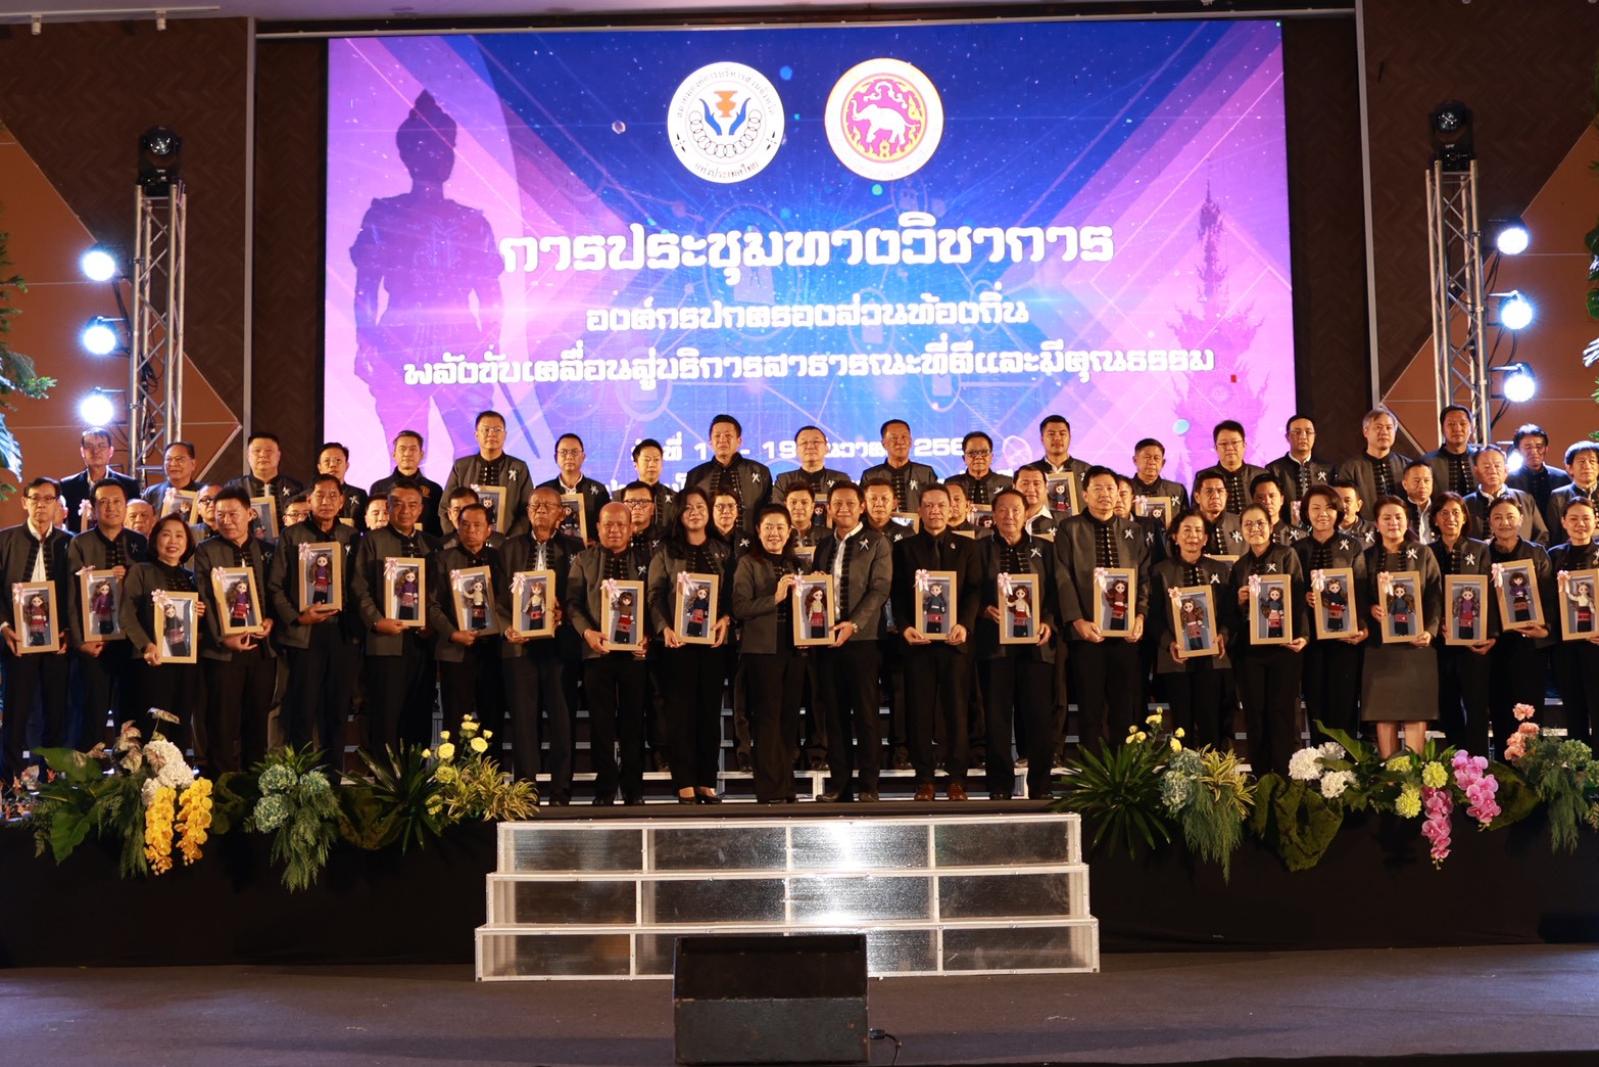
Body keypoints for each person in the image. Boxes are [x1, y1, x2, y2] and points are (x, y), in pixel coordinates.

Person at [891, 483, 978, 801]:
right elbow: (898, 594)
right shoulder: (904, 548)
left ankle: (957, 778)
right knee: (919, 712)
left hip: (955, 643)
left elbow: (974, 591)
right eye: (928, 505)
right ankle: (924, 778)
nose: (935, 511)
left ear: (951, 508)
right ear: (919, 510)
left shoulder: (967, 547)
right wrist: (904, 627)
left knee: (957, 711)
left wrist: (965, 624)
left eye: (941, 505)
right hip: (919, 643)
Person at [646, 488, 732, 804]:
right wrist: (665, 628)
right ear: (679, 514)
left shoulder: (722, 551)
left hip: (712, 646)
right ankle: (683, 782)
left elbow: (732, 596)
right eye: (688, 508)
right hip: (676, 646)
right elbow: (654, 595)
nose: (694, 512)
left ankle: (706, 781)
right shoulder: (665, 551)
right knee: (679, 714)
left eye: (700, 507)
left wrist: (726, 619)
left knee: (708, 714)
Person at [266, 474, 360, 757]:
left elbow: (359, 586)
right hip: (304, 635)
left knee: (337, 710)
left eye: (333, 496)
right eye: (320, 495)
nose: (326, 501)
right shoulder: (292, 536)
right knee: (303, 709)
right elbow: (275, 586)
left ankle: (332, 775)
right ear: (309, 500)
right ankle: (303, 774)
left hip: (342, 633)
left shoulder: (351, 537)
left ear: (342, 501)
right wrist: (298, 618)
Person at [1055, 467, 1149, 748]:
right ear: (1085, 494)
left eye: (1111, 488)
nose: (1105, 494)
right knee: (1090, 708)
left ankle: (1124, 768)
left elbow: (1144, 577)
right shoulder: (1069, 528)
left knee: (1124, 706)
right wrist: (1077, 621)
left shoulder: (1134, 531)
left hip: (1126, 634)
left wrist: (1140, 615)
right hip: (1087, 634)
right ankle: (1093, 769)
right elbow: (1062, 577)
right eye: (1098, 488)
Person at [567, 502, 654, 804]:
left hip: (635, 655)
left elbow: (656, 602)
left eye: (620, 525)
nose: (614, 530)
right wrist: (587, 633)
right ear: (598, 528)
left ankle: (633, 789)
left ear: (631, 528)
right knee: (600, 724)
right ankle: (604, 789)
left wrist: (648, 636)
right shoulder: (583, 560)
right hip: (597, 653)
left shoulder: (646, 560)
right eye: (608, 524)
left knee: (633, 722)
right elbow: (572, 604)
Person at [499, 486, 582, 800]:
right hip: (519, 645)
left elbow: (580, 595)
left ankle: (561, 789)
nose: (541, 511)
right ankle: (525, 791)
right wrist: (507, 628)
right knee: (523, 719)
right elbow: (497, 597)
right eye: (535, 505)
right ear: (527, 511)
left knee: (562, 718)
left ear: (561, 513)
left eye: (548, 506)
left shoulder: (575, 549)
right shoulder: (508, 548)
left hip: (560, 645)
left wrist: (565, 613)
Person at [812, 481, 892, 802]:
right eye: (837, 504)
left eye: (849, 503)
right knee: (834, 715)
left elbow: (880, 588)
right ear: (828, 509)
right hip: (827, 641)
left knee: (865, 714)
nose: (843, 509)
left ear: (862, 507)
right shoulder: (823, 545)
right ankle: (840, 785)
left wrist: (854, 624)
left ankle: (869, 785)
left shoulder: (877, 542)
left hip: (863, 640)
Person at [978, 488, 1058, 799]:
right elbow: (969, 592)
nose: (1009, 516)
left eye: (1015, 510)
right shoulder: (980, 550)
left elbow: (1055, 594)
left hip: (1036, 647)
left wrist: (1047, 622)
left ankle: (1041, 785)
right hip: (995, 648)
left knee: (1039, 718)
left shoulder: (1045, 549)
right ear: (993, 515)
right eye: (1002, 509)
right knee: (997, 718)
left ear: (1026, 514)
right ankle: (999, 785)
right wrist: (985, 610)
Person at [351, 480, 439, 751]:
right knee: (385, 716)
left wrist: (432, 624)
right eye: (398, 504)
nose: (405, 510)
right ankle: (384, 776)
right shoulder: (371, 541)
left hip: (423, 642)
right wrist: (377, 621)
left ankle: (415, 774)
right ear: (388, 508)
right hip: (386, 641)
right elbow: (359, 588)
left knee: (419, 714)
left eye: (412, 505)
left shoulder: (432, 544)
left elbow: (439, 592)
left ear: (421, 509)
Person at [194, 487, 277, 772]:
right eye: (220, 515)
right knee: (222, 721)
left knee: (257, 720)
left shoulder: (267, 550)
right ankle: (222, 784)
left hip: (262, 649)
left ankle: (253, 783)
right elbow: (205, 596)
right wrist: (223, 637)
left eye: (233, 514)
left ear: (250, 514)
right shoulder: (206, 551)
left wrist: (271, 621)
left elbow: (275, 592)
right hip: (223, 653)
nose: (226, 520)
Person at [732, 504, 808, 803]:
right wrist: (774, 597)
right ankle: (769, 789)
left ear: (789, 532)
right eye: (768, 527)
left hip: (794, 649)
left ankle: (787, 786)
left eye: (780, 527)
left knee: (789, 719)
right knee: (766, 720)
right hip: (762, 651)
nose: (774, 533)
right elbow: (739, 607)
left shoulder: (797, 565)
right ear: (758, 531)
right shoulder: (747, 563)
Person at [67, 478, 150, 750]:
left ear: (126, 506)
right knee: (91, 712)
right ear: (93, 508)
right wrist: (80, 641)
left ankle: (128, 771)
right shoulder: (80, 543)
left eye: (117, 502)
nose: (111, 507)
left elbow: (148, 590)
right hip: (95, 643)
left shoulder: (140, 543)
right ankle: (87, 771)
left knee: (131, 714)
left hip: (132, 642)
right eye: (103, 502)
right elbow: (72, 596)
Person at [0, 478, 72, 780]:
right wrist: (4, 625)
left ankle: (51, 781)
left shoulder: (70, 542)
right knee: (16, 712)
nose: (41, 504)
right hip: (17, 639)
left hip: (58, 641)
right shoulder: (5, 540)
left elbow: (76, 593)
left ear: (57, 504)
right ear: (24, 502)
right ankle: (9, 781)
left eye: (48, 498)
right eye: (35, 498)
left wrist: (69, 629)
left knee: (56, 712)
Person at [1230, 503, 1308, 775]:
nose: (1255, 529)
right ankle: (1261, 777)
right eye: (1248, 524)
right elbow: (1231, 613)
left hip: (1283, 648)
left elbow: (1298, 597)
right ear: (1241, 530)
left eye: (1260, 523)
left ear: (1271, 525)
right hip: (1250, 651)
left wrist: (1303, 635)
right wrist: (1239, 600)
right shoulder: (1239, 566)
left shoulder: (1287, 555)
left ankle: (1285, 777)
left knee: (1282, 713)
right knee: (1254, 714)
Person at [1361, 497, 1442, 758]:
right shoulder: (1366, 557)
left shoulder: (1423, 553)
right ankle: (1389, 777)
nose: (1393, 522)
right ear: (1377, 524)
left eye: (1398, 517)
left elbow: (1435, 596)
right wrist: (1370, 609)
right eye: (1386, 518)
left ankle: (1415, 778)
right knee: (1384, 714)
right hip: (1380, 647)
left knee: (1415, 713)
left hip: (1416, 647)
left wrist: (1430, 631)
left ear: (1407, 521)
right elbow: (1358, 595)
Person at [120, 514, 206, 749]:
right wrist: (146, 645)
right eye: (166, 534)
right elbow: (126, 614)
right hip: (152, 662)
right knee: (153, 727)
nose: (173, 541)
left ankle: (179, 772)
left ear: (187, 542)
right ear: (155, 539)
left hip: (185, 663)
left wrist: (198, 614)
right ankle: (150, 772)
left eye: (179, 536)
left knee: (181, 724)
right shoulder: (141, 571)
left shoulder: (191, 578)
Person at [1148, 512, 1234, 747]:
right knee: (1181, 725)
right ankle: (1182, 770)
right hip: (1176, 659)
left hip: (1213, 659)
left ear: (1205, 538)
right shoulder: (1160, 571)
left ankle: (1212, 769)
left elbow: (1230, 613)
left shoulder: (1221, 570)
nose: (1192, 536)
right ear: (1174, 536)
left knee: (1211, 722)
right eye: (1186, 530)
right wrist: (1169, 642)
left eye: (1198, 530)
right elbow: (1153, 617)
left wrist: (1223, 635)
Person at [1293, 484, 1368, 744]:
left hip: (1345, 639)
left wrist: (1362, 626)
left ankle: (1345, 763)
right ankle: (1318, 760)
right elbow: (1290, 591)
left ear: (1338, 512)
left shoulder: (1353, 546)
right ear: (1306, 513)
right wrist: (1304, 597)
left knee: (1344, 702)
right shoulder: (1297, 549)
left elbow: (1362, 589)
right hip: (1310, 640)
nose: (1322, 513)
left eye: (1328, 507)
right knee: (1316, 704)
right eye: (1315, 508)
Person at [429, 503, 506, 747]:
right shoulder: (442, 559)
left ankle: (491, 771)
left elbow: (509, 601)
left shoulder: (499, 559)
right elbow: (431, 605)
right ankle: (453, 771)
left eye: (477, 525)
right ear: (457, 527)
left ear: (489, 530)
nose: (471, 530)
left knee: (492, 720)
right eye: (465, 524)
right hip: (456, 650)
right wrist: (453, 633)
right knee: (455, 720)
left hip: (493, 650)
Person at [1483, 495, 1555, 755]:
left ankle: (1531, 770)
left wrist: (1545, 629)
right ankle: (1503, 771)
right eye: (1498, 517)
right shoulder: (1481, 553)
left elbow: (1549, 597)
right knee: (1500, 711)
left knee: (1529, 714)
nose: (1504, 522)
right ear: (1489, 522)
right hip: (1493, 645)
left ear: (1522, 520)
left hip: (1528, 646)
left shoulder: (1537, 553)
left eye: (1510, 517)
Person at [1431, 492, 1496, 755]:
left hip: (1474, 642)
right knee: (1447, 705)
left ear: (1465, 518)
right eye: (1444, 513)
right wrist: (1436, 624)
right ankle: (1457, 761)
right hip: (1440, 642)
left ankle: (1479, 763)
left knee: (1476, 706)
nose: (1451, 518)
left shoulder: (1480, 549)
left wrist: (1491, 634)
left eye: (1456, 512)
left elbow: (1490, 594)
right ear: (1435, 519)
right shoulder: (1426, 551)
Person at [1549, 499, 1599, 744]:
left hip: (1596, 645)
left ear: (1595, 521)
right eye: (1574, 519)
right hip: (1564, 645)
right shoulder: (1554, 556)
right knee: (1573, 707)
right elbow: (1543, 600)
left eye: (1586, 518)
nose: (1580, 524)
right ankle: (1578, 763)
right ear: (1563, 522)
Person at [441, 411, 534, 538]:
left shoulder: (519, 468)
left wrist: (509, 541)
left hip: (507, 543)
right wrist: (458, 538)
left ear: (505, 435)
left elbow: (527, 510)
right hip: (465, 541)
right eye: (486, 429)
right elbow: (445, 508)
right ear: (476, 435)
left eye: (497, 429)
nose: (491, 434)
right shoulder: (461, 467)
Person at [684, 414, 773, 532]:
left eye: (728, 435)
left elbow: (770, 512)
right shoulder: (695, 475)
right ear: (710, 442)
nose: (722, 440)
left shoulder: (760, 472)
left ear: (739, 441)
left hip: (751, 539)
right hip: (707, 541)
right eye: (717, 436)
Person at [58, 428, 141, 534]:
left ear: (110, 451)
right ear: (82, 452)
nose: (95, 451)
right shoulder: (67, 485)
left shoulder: (129, 485)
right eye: (89, 446)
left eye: (101, 446)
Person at [1336, 407, 1410, 521]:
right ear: (1365, 431)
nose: (1384, 432)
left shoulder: (1406, 465)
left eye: (1389, 428)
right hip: (1363, 529)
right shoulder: (1351, 468)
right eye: (1378, 427)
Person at [1463, 446, 1548, 544]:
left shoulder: (1525, 499)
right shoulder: (1466, 504)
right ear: (1476, 471)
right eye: (1486, 467)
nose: (1492, 471)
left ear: (1506, 470)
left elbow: (1542, 535)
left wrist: (1526, 551)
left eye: (1497, 466)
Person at [772, 425, 850, 529]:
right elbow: (778, 514)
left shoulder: (841, 479)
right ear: (796, 450)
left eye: (816, 442)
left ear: (826, 448)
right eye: (804, 443)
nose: (810, 446)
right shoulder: (784, 480)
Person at [369, 429, 444, 537]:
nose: (407, 454)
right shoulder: (379, 487)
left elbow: (438, 527)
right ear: (394, 454)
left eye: (413, 449)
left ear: (421, 454)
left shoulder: (434, 489)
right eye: (402, 449)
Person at [537, 432, 610, 543]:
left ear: (583, 457)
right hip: (552, 550)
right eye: (563, 452)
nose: (569, 457)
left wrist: (597, 544)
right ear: (555, 457)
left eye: (574, 452)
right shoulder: (543, 491)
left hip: (589, 551)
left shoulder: (599, 491)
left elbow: (606, 524)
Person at [228, 432, 305, 531]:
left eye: (269, 451)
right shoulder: (234, 487)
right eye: (257, 451)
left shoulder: (295, 487)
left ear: (278, 455)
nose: (263, 455)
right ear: (248, 456)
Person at [1192, 420, 1269, 516]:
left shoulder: (1261, 475)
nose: (1229, 448)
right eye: (1224, 444)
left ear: (1244, 445)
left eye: (1235, 442)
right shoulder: (1203, 477)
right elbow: (1196, 513)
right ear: (1216, 448)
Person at [862, 419, 937, 512]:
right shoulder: (870, 475)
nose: (900, 442)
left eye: (904, 437)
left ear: (910, 441)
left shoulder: (925, 473)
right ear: (883, 443)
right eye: (894, 438)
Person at [1022, 414, 1091, 508]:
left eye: (1062, 434)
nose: (1057, 438)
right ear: (1042, 439)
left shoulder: (1087, 470)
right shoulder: (1028, 472)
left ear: (1070, 437)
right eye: (1051, 434)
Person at [1267, 414, 1333, 510]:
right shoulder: (1274, 469)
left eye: (1308, 432)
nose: (1303, 436)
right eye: (1297, 432)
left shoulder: (1328, 469)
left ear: (1314, 436)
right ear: (1287, 436)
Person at [1507, 423, 1572, 517]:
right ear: (1518, 450)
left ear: (1546, 449)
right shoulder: (1509, 479)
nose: (1534, 452)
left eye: (1539, 447)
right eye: (1528, 447)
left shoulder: (1561, 478)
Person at [621, 438, 679, 537]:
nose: (652, 464)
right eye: (647, 460)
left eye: (656, 460)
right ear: (635, 465)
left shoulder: (675, 497)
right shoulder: (620, 496)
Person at [1422, 405, 1480, 498]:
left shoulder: (1480, 458)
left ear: (1471, 428)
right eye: (1451, 424)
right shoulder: (1427, 462)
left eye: (1463, 423)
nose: (1457, 429)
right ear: (1442, 429)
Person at [946, 431, 1013, 508]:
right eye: (972, 453)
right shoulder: (951, 483)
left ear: (991, 457)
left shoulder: (1007, 483)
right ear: (964, 458)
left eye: (984, 452)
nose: (978, 457)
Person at [1544, 442, 1598, 534]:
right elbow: (1554, 534)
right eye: (1581, 461)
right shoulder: (1558, 497)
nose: (1587, 466)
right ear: (1570, 468)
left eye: (1592, 461)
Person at [315, 442, 371, 530]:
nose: (333, 465)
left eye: (338, 461)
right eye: (327, 461)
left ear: (346, 466)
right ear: (320, 468)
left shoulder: (360, 494)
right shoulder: (310, 495)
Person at [1129, 438, 1190, 516]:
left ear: (1163, 463)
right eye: (1147, 457)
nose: (1152, 462)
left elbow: (1186, 519)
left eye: (1156, 458)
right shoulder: (1124, 489)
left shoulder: (1177, 490)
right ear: (1135, 460)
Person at [142, 440, 200, 517]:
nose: (173, 464)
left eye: (179, 459)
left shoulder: (203, 493)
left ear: (193, 464)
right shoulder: (151, 493)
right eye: (168, 459)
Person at [1192, 473, 1245, 557]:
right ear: (1197, 497)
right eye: (1209, 491)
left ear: (1226, 495)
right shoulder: (1185, 524)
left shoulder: (1241, 523)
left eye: (1220, 491)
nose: (1215, 496)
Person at [1400, 461, 1436, 546]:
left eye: (1426, 480)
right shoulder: (1400, 511)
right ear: (1405, 484)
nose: (1422, 485)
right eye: (1417, 481)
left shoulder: (1439, 509)